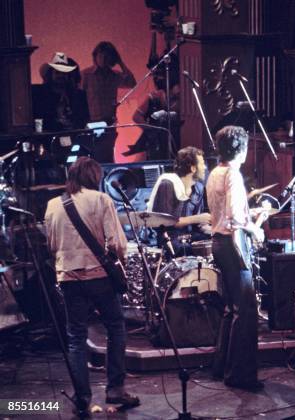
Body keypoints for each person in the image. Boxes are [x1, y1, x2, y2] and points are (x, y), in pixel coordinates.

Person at [44, 157, 139, 415]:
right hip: (99, 278)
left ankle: (82, 397)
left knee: (76, 338)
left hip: (69, 279)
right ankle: (115, 389)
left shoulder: (53, 205)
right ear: (94, 177)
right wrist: (119, 263)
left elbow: (51, 246)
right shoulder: (101, 200)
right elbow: (117, 244)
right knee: (116, 327)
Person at [206, 125, 264, 390]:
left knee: (231, 309)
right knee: (246, 311)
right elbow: (236, 219)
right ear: (242, 149)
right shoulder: (233, 175)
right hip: (233, 243)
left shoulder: (214, 172)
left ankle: (222, 368)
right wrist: (257, 228)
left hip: (219, 243)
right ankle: (240, 376)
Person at [147, 146, 210, 254]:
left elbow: (198, 224)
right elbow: (166, 222)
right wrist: (198, 218)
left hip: (191, 237)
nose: (205, 167)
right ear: (193, 168)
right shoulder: (168, 184)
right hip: (170, 241)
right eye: (202, 163)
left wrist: (211, 229)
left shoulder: (198, 188)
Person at [33, 52, 90, 132]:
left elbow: (84, 119)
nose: (61, 76)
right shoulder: (41, 94)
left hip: (74, 137)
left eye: (64, 73)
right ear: (51, 74)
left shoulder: (79, 95)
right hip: (50, 138)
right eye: (57, 72)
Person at [81, 41, 136, 124]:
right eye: (100, 55)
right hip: (91, 121)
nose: (103, 59)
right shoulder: (86, 75)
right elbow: (79, 99)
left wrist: (120, 62)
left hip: (109, 121)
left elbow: (132, 83)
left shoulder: (114, 76)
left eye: (106, 56)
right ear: (95, 56)